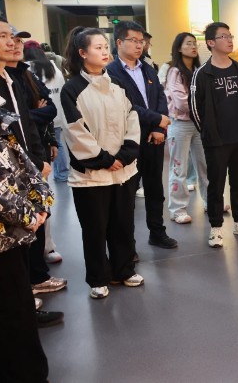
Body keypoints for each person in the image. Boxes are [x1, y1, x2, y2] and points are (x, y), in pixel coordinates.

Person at [0, 14, 63, 327]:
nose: (12, 43)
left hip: (22, 190)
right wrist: (28, 214)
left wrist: (38, 165)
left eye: (14, 37)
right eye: (3, 37)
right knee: (4, 302)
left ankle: (32, 290)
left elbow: (27, 126)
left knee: (15, 286)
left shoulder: (13, 80)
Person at [61, 26, 143, 299]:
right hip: (91, 176)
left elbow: (132, 118)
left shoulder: (118, 84)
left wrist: (125, 155)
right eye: (98, 47)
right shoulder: (72, 89)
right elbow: (74, 130)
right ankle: (98, 277)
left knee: (123, 224)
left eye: (106, 46)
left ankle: (124, 270)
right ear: (82, 53)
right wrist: (104, 159)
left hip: (123, 171)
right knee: (95, 229)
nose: (105, 51)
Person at [106, 21, 178, 250]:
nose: (140, 45)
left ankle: (157, 232)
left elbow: (160, 98)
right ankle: (127, 244)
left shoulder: (148, 68)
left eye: (142, 41)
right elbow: (126, 105)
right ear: (119, 42)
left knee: (155, 189)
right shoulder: (111, 72)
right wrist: (157, 119)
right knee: (127, 195)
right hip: (128, 141)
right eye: (134, 41)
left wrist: (159, 128)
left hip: (153, 139)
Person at [190, 22, 238, 247]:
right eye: (224, 36)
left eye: (230, 36)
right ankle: (216, 228)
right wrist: (207, 133)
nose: (229, 40)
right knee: (216, 185)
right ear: (211, 42)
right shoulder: (202, 73)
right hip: (216, 141)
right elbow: (195, 107)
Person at [25, 43, 69, 265]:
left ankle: (46, 246)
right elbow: (7, 117)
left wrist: (50, 137)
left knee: (42, 199)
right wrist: (35, 113)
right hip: (18, 150)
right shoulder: (51, 67)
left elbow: (49, 108)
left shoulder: (29, 73)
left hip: (39, 141)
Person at [165, 32, 209, 224]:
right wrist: (203, 108)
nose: (193, 47)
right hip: (180, 124)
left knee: (205, 165)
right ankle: (178, 209)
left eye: (194, 43)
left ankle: (211, 202)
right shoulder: (174, 71)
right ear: (179, 48)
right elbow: (181, 101)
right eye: (188, 43)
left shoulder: (199, 70)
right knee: (179, 168)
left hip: (199, 124)